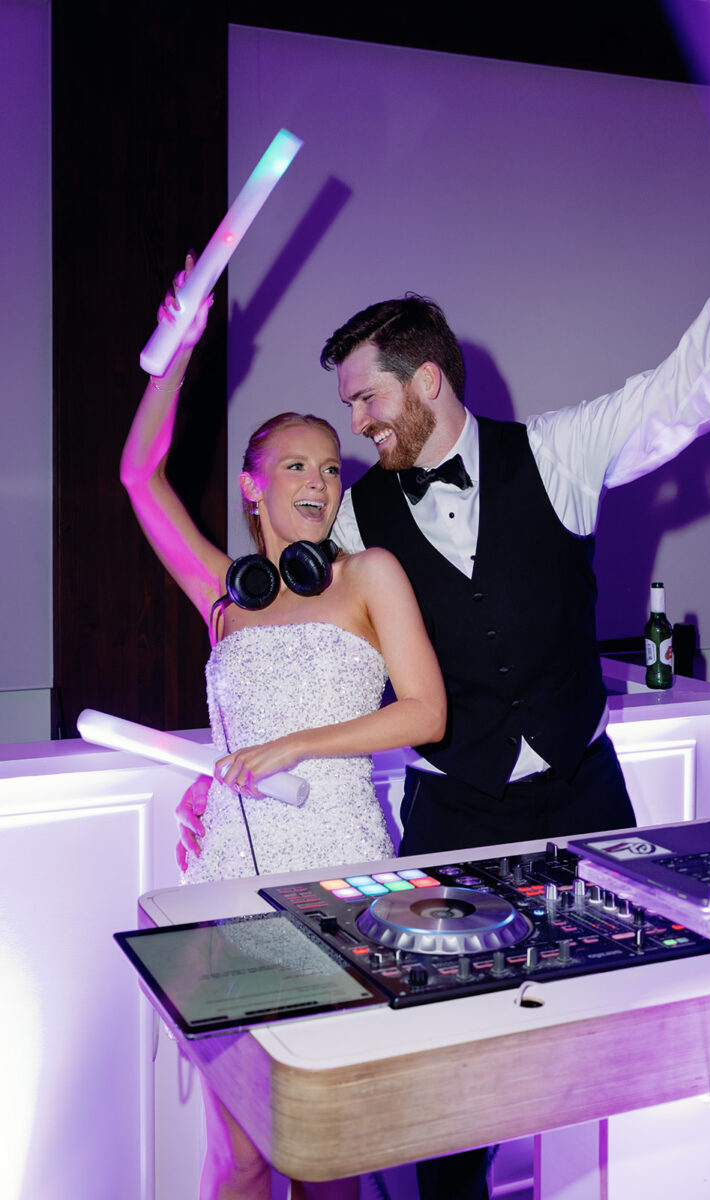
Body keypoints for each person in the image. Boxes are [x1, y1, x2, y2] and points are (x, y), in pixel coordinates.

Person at [318, 139, 710, 1198]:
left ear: (425, 378)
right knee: (449, 1067)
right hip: (449, 814)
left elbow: (693, 389)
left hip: (585, 799)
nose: (356, 422)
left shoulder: (560, 451)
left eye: (364, 400)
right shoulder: (358, 513)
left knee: (621, 1035)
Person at [121, 261, 446, 1200]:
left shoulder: (368, 575)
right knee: (240, 1154)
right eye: (294, 466)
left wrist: (297, 745)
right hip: (226, 882)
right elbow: (138, 474)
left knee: (320, 1149)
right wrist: (175, 348)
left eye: (329, 467)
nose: (317, 480)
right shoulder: (222, 594)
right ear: (251, 486)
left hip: (339, 872)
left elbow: (425, 712)